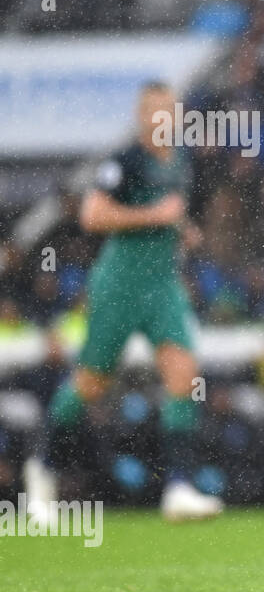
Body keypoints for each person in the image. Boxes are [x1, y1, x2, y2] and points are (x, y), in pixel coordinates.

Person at [26, 81, 222, 524]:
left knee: (183, 373)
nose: (162, 118)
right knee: (90, 385)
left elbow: (170, 209)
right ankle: (42, 470)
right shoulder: (125, 161)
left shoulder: (180, 160)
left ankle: (178, 488)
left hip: (163, 285)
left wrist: (182, 228)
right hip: (119, 287)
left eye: (168, 110)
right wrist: (155, 217)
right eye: (153, 111)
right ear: (141, 116)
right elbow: (91, 215)